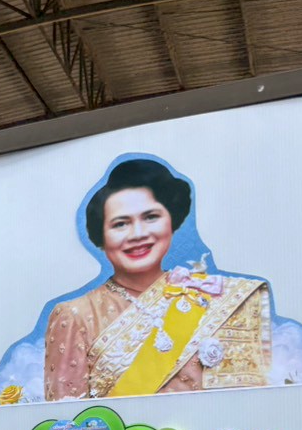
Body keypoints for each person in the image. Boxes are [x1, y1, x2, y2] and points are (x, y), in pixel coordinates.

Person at [43, 157, 273, 401]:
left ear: (171, 220)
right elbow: (66, 418)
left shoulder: (219, 295)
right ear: (102, 235)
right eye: (120, 224)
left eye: (151, 217)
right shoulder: (75, 315)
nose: (138, 234)